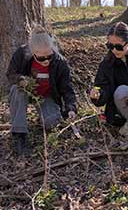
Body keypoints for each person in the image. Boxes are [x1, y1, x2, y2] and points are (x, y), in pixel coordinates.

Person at [6, 25, 77, 156]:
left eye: (49, 56)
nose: (46, 61)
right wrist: (21, 80)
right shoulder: (21, 54)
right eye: (41, 58)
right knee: (17, 90)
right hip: (26, 91)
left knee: (52, 122)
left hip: (46, 96)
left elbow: (67, 88)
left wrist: (71, 107)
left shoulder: (60, 63)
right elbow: (10, 73)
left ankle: (43, 117)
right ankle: (19, 134)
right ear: (32, 52)